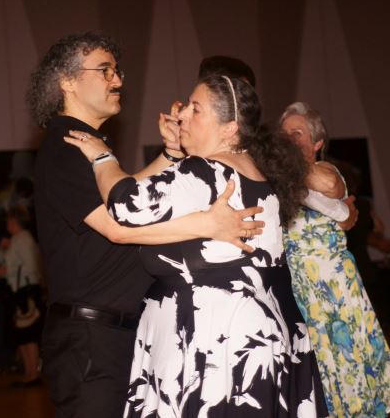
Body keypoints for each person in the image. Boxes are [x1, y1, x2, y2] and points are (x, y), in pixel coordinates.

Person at [28, 33, 267, 418]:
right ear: (67, 81)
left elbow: (127, 201)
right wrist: (206, 224)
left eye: (117, 71)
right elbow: (117, 227)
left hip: (112, 334)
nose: (117, 80)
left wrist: (168, 155)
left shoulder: (88, 143)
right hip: (91, 339)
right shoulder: (65, 145)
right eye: (104, 71)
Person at [66, 74, 328, 417]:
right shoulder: (253, 174)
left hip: (213, 342)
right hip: (248, 337)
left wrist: (102, 158)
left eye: (196, 109)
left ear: (229, 128)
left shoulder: (205, 172)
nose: (182, 116)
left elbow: (124, 204)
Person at [281, 101, 390, 417]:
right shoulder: (277, 181)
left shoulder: (327, 171)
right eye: (284, 135)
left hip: (334, 290)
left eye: (297, 134)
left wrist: (280, 161)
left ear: (317, 143)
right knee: (314, 378)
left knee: (348, 370)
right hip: (296, 290)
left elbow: (329, 187)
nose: (289, 140)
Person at [4, 205, 43, 385]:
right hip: (22, 288)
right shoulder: (20, 238)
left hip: (25, 289)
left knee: (28, 334)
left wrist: (6, 271)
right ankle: (29, 373)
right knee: (23, 334)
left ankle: (33, 374)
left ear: (14, 220)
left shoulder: (22, 239)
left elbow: (30, 266)